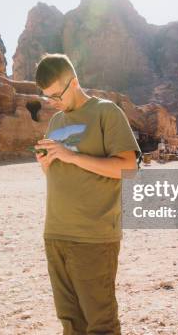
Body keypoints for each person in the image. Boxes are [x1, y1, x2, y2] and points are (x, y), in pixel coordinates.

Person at [34, 53, 141, 335]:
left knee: (100, 324)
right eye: (48, 98)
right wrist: (47, 165)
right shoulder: (56, 121)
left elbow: (128, 167)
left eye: (57, 94)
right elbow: (60, 174)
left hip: (93, 236)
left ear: (75, 82)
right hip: (56, 233)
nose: (54, 103)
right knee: (70, 322)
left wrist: (71, 156)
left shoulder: (106, 112)